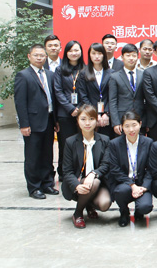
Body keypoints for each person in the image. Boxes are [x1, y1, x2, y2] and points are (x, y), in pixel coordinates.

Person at [14, 44, 59, 199]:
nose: (39, 58)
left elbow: (53, 100)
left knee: (47, 155)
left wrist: (55, 121)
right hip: (32, 123)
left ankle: (47, 183)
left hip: (49, 120)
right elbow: (20, 102)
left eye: (42, 55)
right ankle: (34, 187)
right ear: (29, 56)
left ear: (46, 57)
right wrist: (24, 124)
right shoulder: (23, 75)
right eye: (36, 55)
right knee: (33, 156)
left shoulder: (50, 74)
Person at [61, 105, 112, 228]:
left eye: (91, 119)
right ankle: (78, 213)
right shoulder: (70, 142)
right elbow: (67, 171)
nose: (87, 123)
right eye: (83, 119)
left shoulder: (105, 140)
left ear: (96, 120)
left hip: (98, 183)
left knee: (104, 204)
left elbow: (106, 165)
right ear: (78, 121)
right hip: (77, 183)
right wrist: (77, 185)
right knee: (93, 183)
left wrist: (93, 174)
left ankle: (88, 204)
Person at [107, 111, 154, 227]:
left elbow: (152, 168)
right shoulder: (114, 144)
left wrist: (144, 187)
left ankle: (139, 211)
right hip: (124, 183)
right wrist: (132, 185)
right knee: (120, 192)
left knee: (145, 207)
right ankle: (124, 212)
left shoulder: (148, 142)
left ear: (140, 124)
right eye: (127, 126)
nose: (131, 129)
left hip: (141, 182)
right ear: (122, 127)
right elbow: (114, 169)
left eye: (134, 125)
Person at [53, 40, 85, 180]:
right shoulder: (60, 70)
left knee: (81, 143)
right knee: (65, 144)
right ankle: (64, 172)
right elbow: (58, 91)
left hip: (82, 114)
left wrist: (80, 108)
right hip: (65, 114)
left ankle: (80, 170)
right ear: (66, 53)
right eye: (71, 50)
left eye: (76, 50)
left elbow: (87, 92)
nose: (74, 53)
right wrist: (70, 108)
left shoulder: (85, 69)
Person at [109, 43, 146, 136]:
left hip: (140, 118)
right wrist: (115, 122)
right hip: (122, 119)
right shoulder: (115, 76)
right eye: (128, 55)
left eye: (134, 55)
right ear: (122, 57)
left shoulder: (143, 74)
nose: (131, 58)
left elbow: (147, 99)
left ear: (138, 57)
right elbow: (112, 101)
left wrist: (146, 121)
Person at [79, 43, 114, 138]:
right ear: (89, 55)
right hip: (90, 115)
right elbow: (83, 96)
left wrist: (107, 113)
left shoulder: (112, 73)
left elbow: (113, 96)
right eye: (93, 53)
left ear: (104, 55)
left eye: (99, 53)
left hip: (107, 116)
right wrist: (94, 114)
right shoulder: (83, 73)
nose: (97, 56)